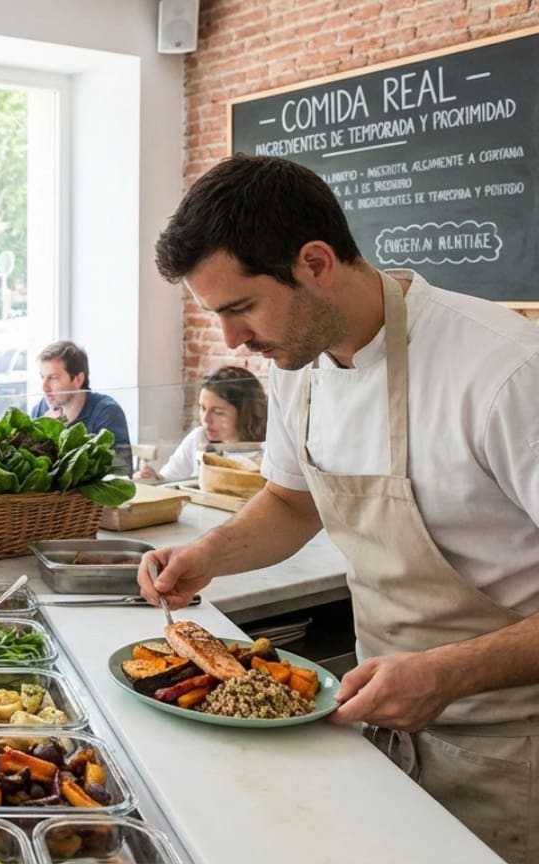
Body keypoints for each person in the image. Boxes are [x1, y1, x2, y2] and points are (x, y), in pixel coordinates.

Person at [143, 153, 539, 864]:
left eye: (240, 308)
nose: (232, 341)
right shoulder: (300, 368)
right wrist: (211, 555)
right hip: (378, 725)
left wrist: (446, 673)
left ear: (317, 263)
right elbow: (293, 505)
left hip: (513, 750)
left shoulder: (505, 370)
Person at [135, 366, 267, 482]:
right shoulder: (199, 437)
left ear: (245, 414)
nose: (205, 419)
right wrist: (155, 479)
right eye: (203, 408)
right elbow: (170, 479)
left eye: (218, 412)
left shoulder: (268, 449)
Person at [30, 341, 133, 473]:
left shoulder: (107, 412)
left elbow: (120, 471)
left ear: (78, 379)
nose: (44, 387)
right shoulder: (39, 410)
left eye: (53, 378)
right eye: (42, 377)